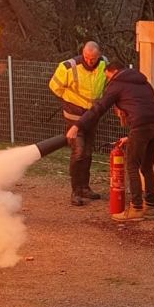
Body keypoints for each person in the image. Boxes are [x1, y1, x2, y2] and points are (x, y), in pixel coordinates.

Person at [66, 57, 154, 222]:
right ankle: (150, 207)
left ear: (113, 72)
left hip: (140, 126)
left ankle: (136, 208)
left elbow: (98, 108)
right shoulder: (143, 83)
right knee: (147, 167)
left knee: (132, 166)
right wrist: (130, 136)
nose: (107, 81)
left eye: (107, 77)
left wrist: (77, 125)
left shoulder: (117, 83)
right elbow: (144, 108)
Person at [48, 41, 107, 206]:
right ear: (82, 52)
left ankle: (85, 187)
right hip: (73, 115)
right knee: (78, 152)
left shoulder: (104, 63)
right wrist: (71, 100)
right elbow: (54, 87)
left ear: (99, 55)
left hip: (92, 115)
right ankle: (76, 191)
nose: (89, 61)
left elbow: (107, 84)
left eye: (93, 58)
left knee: (87, 152)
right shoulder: (68, 66)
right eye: (87, 57)